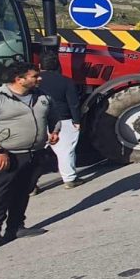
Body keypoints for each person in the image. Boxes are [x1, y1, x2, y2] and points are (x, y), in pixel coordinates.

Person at [0, 61, 58, 257]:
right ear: (19, 79)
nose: (39, 78)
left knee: (23, 192)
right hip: (6, 156)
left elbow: (53, 116)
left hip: (34, 154)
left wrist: (54, 131)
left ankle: (16, 227)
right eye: (35, 76)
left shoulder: (41, 96)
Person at [39, 52, 84, 189]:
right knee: (65, 151)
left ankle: (30, 186)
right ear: (58, 65)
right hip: (62, 118)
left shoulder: (35, 81)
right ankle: (69, 179)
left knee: (34, 154)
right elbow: (73, 103)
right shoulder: (65, 81)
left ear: (40, 66)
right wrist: (77, 120)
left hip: (39, 120)